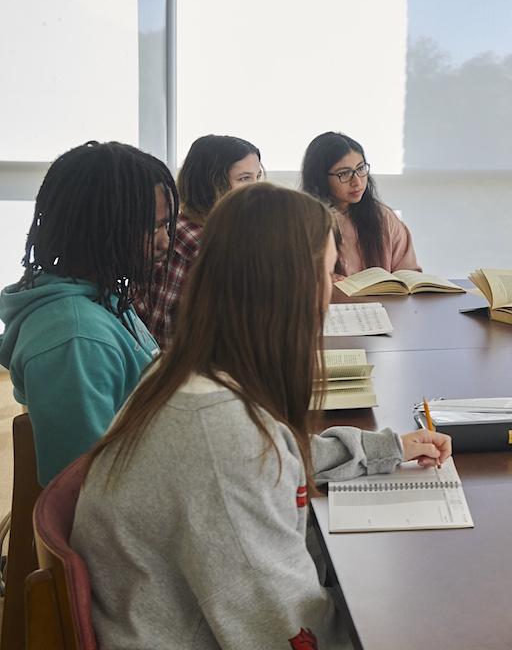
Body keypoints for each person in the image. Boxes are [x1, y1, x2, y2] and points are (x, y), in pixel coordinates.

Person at [71, 183, 452, 648]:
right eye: (325, 274)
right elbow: (286, 629)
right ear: (287, 284)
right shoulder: (216, 429)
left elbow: (271, 464)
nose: (330, 294)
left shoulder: (189, 371)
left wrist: (384, 448)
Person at [0, 141, 176, 486]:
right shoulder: (77, 339)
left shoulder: (104, 298)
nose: (166, 242)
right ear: (100, 228)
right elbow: (83, 494)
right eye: (154, 228)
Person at [136, 134, 263, 345]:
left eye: (257, 177)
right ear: (211, 184)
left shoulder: (181, 223)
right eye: (244, 178)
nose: (256, 188)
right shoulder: (205, 241)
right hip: (181, 363)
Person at [300, 131, 419, 278]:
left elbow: (409, 274)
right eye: (344, 173)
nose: (357, 181)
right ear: (320, 178)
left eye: (361, 169)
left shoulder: (384, 217)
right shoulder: (303, 222)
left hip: (385, 301)